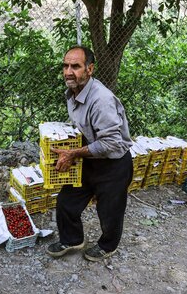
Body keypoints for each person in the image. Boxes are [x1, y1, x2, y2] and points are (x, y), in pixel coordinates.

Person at [46, 45, 133, 262]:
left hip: (114, 164)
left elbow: (112, 143)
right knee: (67, 201)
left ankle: (107, 245)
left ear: (90, 69)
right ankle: (72, 239)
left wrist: (73, 153)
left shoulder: (101, 100)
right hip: (89, 158)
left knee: (109, 211)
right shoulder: (72, 92)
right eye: (65, 66)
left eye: (75, 66)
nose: (68, 71)